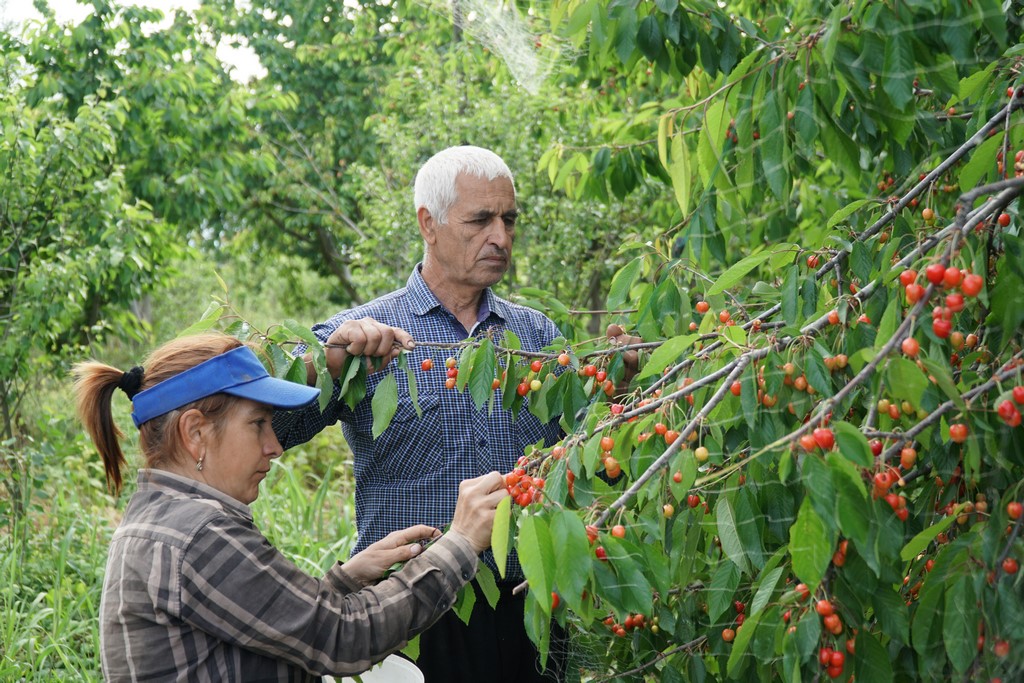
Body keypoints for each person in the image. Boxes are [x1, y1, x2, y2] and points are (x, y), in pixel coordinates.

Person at [272, 146, 571, 682]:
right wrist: (330, 364)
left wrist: (619, 385)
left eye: (509, 220)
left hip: (531, 600)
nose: (500, 237)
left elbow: (584, 445)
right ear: (428, 224)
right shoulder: (364, 333)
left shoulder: (536, 337)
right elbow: (268, 431)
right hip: (410, 610)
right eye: (480, 220)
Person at [74, 331, 508, 682]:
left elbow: (257, 629)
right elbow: (344, 636)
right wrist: (462, 543)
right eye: (258, 424)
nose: (275, 446)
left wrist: (345, 580)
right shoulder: (198, 535)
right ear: (195, 433)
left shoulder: (166, 519)